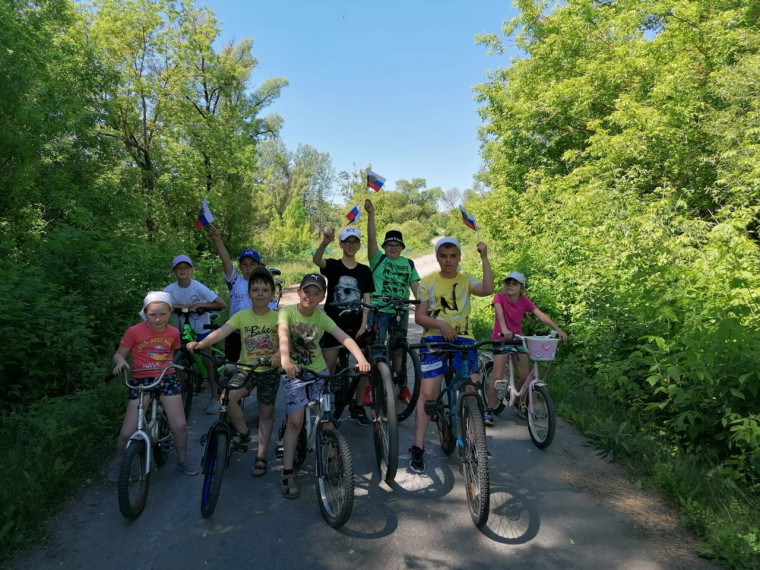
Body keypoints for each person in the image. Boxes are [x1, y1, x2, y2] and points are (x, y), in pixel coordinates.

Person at [278, 273, 371, 499]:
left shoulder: (321, 318)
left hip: (318, 372)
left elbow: (345, 338)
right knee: (295, 422)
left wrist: (360, 359)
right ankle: (288, 472)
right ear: (299, 292)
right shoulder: (287, 312)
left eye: (316, 293)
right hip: (295, 373)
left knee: (326, 419)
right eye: (307, 291)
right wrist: (285, 361)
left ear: (322, 297)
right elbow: (283, 337)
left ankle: (331, 460)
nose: (310, 296)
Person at [185, 266, 280, 477]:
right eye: (255, 290)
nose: (260, 294)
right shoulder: (242, 316)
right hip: (247, 368)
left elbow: (286, 341)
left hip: (269, 371)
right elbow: (221, 332)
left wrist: (280, 354)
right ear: (249, 293)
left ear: (272, 293)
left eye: (265, 290)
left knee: (266, 414)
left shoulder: (277, 317)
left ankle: (261, 457)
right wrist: (200, 345)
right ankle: (244, 432)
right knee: (227, 397)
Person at [411, 237, 494, 474]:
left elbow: (487, 289)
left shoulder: (465, 279)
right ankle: (418, 447)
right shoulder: (427, 282)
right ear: (437, 257)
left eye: (453, 256)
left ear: (459, 258)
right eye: (443, 256)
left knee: (471, 389)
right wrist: (440, 325)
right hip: (435, 339)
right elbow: (419, 317)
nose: (448, 261)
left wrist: (484, 257)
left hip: (464, 340)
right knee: (428, 394)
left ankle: (477, 442)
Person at [108, 291, 198, 482]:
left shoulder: (173, 332)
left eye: (163, 314)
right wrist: (120, 362)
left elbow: (171, 353)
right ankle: (118, 461)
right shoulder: (134, 331)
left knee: (180, 426)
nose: (157, 319)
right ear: (145, 313)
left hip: (166, 379)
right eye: (152, 314)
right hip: (141, 381)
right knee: (127, 432)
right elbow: (119, 354)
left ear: (170, 312)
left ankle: (182, 460)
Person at [485, 271, 568, 426]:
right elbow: (499, 313)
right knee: (497, 377)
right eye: (508, 283)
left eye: (514, 283)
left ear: (521, 287)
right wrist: (504, 329)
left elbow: (541, 315)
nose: (510, 286)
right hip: (501, 338)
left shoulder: (524, 301)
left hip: (518, 339)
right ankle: (488, 410)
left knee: (525, 376)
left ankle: (518, 403)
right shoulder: (499, 297)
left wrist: (557, 329)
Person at [312, 226, 375, 426]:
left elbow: (366, 299)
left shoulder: (364, 271)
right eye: (347, 241)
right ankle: (324, 405)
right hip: (333, 325)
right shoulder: (333, 266)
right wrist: (324, 242)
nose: (350, 245)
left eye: (354, 241)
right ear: (341, 244)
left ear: (358, 245)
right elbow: (316, 260)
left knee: (363, 366)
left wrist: (364, 324)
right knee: (328, 366)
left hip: (357, 325)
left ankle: (357, 405)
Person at [365, 198, 420, 404]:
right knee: (376, 346)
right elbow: (371, 239)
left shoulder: (409, 263)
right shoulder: (377, 258)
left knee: (400, 348)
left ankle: (400, 384)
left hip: (400, 310)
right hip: (379, 310)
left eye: (397, 245)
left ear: (402, 247)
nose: (393, 247)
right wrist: (371, 214)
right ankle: (370, 384)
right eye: (389, 244)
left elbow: (416, 287)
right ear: (385, 246)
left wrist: (425, 303)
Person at [163, 254, 226, 414]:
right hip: (180, 328)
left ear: (191, 270)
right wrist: (179, 305)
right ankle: (177, 394)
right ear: (173, 272)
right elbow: (160, 303)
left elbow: (221, 303)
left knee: (207, 361)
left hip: (200, 327)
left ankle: (214, 397)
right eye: (179, 268)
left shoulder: (197, 286)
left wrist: (199, 305)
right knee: (175, 359)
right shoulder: (170, 289)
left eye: (186, 267)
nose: (182, 270)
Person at [206, 224, 274, 363]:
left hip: (258, 333)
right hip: (235, 332)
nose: (248, 267)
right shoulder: (235, 282)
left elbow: (273, 311)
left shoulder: (265, 286)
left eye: (252, 264)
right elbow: (226, 260)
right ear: (240, 267)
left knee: (258, 368)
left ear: (259, 265)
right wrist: (217, 239)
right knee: (233, 368)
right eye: (244, 264)